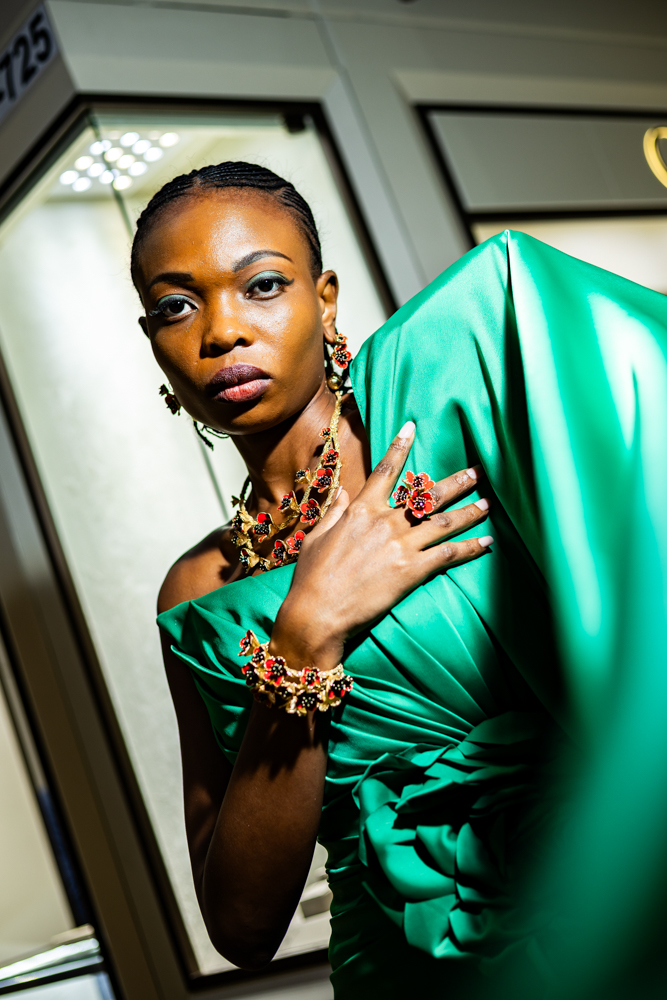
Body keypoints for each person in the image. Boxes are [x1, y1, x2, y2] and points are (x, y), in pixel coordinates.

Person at [132, 162, 667, 999]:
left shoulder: (454, 402)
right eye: (176, 306)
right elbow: (241, 924)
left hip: (615, 903)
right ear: (154, 342)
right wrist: (304, 632)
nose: (222, 331)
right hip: (400, 974)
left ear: (326, 300)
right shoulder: (198, 593)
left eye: (262, 285)